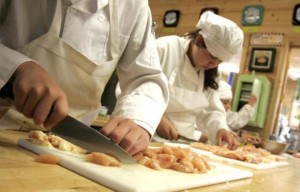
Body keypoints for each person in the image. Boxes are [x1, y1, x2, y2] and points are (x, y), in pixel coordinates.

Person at [0, 0, 169, 155]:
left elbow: (146, 77)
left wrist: (138, 117)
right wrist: (17, 66)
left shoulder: (133, 5)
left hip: (70, 147)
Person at [153, 11, 244, 149]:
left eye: (220, 61)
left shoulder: (210, 73)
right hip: (147, 135)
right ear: (199, 40)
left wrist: (220, 128)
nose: (214, 65)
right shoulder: (165, 48)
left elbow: (210, 109)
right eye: (213, 57)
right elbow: (133, 88)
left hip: (182, 144)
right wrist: (155, 118)